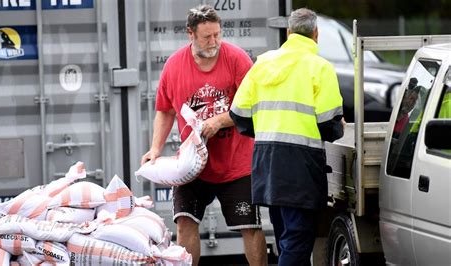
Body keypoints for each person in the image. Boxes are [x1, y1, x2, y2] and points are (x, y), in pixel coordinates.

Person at [140, 5, 267, 266]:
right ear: (190, 34)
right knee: (184, 223)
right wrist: (155, 148)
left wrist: (220, 120)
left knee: (250, 227)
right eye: (207, 37)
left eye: (217, 35)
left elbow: (255, 104)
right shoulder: (174, 65)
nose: (214, 42)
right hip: (191, 166)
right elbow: (164, 111)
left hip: (237, 165)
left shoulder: (237, 59)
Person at [229, 8, 344, 265]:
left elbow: (238, 114)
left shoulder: (263, 63)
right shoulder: (321, 68)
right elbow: (329, 125)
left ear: (289, 32)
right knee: (297, 241)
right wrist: (339, 128)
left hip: (266, 164)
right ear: (316, 34)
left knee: (285, 238)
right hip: (301, 168)